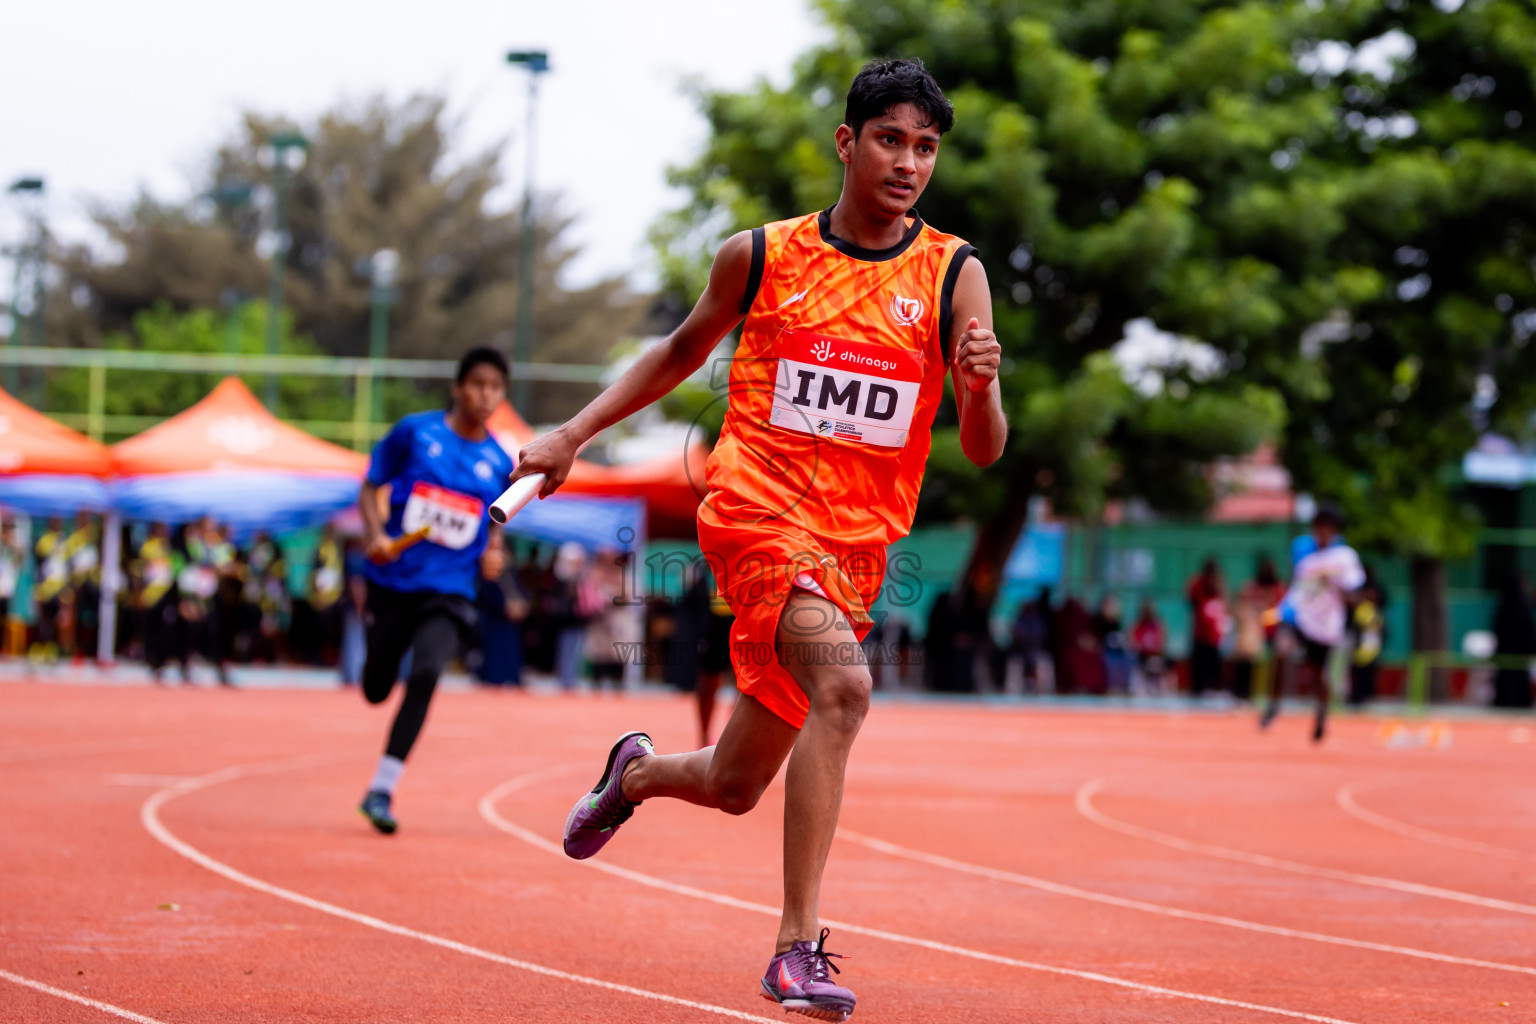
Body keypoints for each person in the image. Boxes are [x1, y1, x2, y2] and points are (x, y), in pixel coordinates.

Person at [509, 58, 1004, 1021]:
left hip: (855, 548)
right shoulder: (764, 255)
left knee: (737, 784)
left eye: (927, 147)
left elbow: (984, 451)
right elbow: (679, 351)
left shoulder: (955, 272)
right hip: (755, 509)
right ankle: (796, 950)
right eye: (892, 140)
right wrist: (572, 435)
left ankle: (636, 773)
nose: (909, 163)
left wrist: (981, 384)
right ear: (847, 142)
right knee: (847, 687)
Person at [355, 346, 514, 835]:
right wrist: (377, 535)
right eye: (477, 384)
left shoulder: (499, 461)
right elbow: (369, 487)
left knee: (426, 671)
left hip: (450, 591)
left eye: (494, 387)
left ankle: (382, 787)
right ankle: (377, 664)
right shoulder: (415, 433)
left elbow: (496, 529)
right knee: (377, 687)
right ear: (458, 387)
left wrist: (495, 555)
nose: (484, 395)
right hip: (393, 581)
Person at [1261, 503, 1365, 741]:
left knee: (1318, 674)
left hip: (1325, 623)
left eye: (1329, 529)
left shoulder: (1344, 558)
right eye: (1320, 528)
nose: (1323, 534)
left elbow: (1354, 596)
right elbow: (1298, 581)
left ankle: (1320, 715)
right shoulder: (1301, 548)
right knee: (1281, 649)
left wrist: (1334, 583)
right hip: (1298, 614)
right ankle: (1273, 707)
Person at [1230, 557, 1283, 701]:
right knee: (1249, 666)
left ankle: (1267, 695)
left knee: (1271, 668)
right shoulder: (1253, 587)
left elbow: (1279, 611)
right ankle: (1249, 694)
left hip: (1272, 633)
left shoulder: (1278, 588)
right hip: (1254, 636)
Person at [1490, 573, 1535, 709]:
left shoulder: (1510, 604)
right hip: (1511, 651)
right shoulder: (1515, 605)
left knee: (1514, 677)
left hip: (1514, 652)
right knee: (1509, 677)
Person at [30, 516, 71, 664]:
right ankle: (38, 651)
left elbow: (66, 567)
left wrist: (66, 588)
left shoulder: (64, 542)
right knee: (43, 622)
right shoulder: (44, 541)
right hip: (45, 589)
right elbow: (40, 565)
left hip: (59, 590)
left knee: (57, 622)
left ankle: (51, 651)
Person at [1186, 559, 1228, 696]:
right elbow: (1190, 596)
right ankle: (1198, 691)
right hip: (1200, 633)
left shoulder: (1218, 587)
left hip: (1214, 636)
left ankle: (1214, 689)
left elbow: (1224, 605)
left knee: (1214, 663)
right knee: (1199, 664)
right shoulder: (1199, 586)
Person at [1130, 598, 1167, 695]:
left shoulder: (1158, 625)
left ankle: (1158, 689)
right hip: (1142, 656)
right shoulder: (1138, 624)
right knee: (1135, 662)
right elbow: (1133, 642)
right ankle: (1139, 689)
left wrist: (1154, 651)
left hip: (1154, 655)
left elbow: (1162, 643)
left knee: (1157, 662)